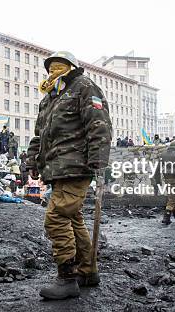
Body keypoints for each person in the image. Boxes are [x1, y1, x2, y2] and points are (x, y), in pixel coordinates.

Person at [26, 50, 112, 300]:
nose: (54, 70)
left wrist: (98, 161)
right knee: (72, 217)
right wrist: (32, 160)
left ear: (71, 67)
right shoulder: (50, 98)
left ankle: (67, 278)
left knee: (56, 217)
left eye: (59, 66)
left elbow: (99, 126)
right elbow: (39, 135)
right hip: (56, 167)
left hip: (77, 166)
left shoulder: (84, 87)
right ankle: (87, 271)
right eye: (50, 67)